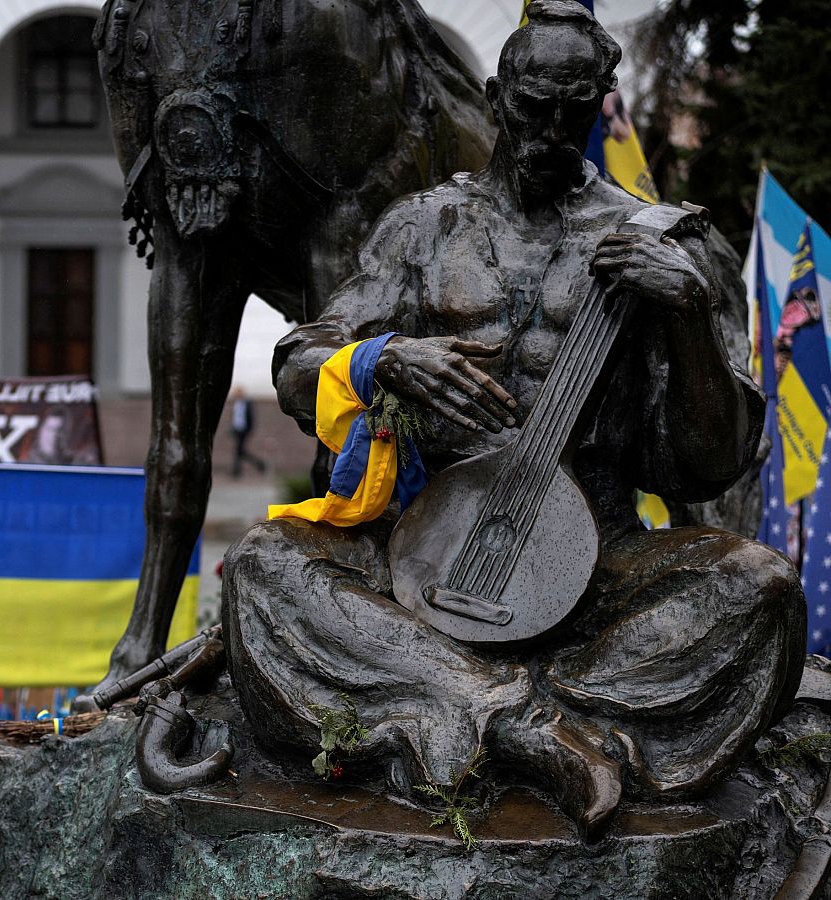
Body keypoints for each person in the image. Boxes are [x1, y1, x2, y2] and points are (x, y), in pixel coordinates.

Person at [221, 1, 803, 840]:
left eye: (576, 107)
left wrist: (686, 313)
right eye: (534, 104)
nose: (552, 128)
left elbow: (715, 463)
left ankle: (449, 704)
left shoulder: (671, 243)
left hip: (599, 554)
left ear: (603, 102)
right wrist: (384, 359)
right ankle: (523, 725)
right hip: (422, 549)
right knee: (265, 564)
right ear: (497, 97)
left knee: (759, 588)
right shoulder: (423, 228)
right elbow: (298, 365)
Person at [227, 386, 266, 478]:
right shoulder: (236, 404)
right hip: (237, 429)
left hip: (244, 430)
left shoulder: (247, 403)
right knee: (239, 451)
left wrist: (249, 430)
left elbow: (250, 417)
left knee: (239, 451)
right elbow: (236, 417)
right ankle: (257, 465)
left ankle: (238, 471)